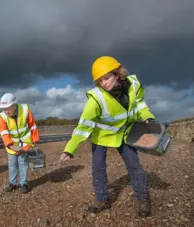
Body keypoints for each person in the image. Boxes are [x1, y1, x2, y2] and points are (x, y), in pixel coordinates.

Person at [59, 56, 156, 217]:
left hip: (124, 134)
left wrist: (147, 116)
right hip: (101, 137)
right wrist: (70, 150)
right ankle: (102, 200)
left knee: (134, 166)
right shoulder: (96, 99)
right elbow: (83, 126)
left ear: (117, 74)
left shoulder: (134, 85)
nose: (104, 83)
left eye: (106, 78)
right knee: (98, 168)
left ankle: (143, 199)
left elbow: (140, 104)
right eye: (100, 81)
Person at [0, 93, 40, 193]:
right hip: (11, 146)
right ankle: (12, 184)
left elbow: (33, 126)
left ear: (14, 106)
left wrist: (32, 143)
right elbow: (4, 132)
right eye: (4, 109)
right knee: (12, 165)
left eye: (8, 109)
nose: (6, 111)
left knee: (23, 164)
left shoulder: (25, 110)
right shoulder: (2, 116)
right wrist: (10, 146)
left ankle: (23, 183)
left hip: (24, 144)